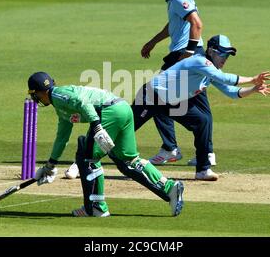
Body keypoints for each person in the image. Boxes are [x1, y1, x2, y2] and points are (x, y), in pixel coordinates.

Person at [27, 72, 184, 217]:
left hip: (108, 112)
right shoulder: (60, 104)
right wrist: (50, 164)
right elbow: (62, 137)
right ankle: (170, 188)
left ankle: (96, 207)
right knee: (127, 161)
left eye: (35, 95)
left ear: (40, 92)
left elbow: (83, 102)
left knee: (87, 157)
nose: (36, 99)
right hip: (122, 109)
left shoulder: (58, 95)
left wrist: (97, 127)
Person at [132, 35, 270, 181]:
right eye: (222, 53)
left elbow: (232, 92)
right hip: (151, 96)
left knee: (203, 120)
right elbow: (225, 78)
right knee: (125, 127)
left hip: (171, 102)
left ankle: (203, 169)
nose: (225, 58)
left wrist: (253, 89)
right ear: (211, 51)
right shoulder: (200, 61)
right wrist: (252, 78)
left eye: (227, 55)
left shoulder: (210, 71)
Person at [140, 0, 213, 166]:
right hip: (194, 54)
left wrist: (188, 52)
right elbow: (175, 24)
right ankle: (207, 153)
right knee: (201, 103)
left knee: (155, 97)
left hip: (182, 55)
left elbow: (197, 24)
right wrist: (153, 41)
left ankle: (169, 147)